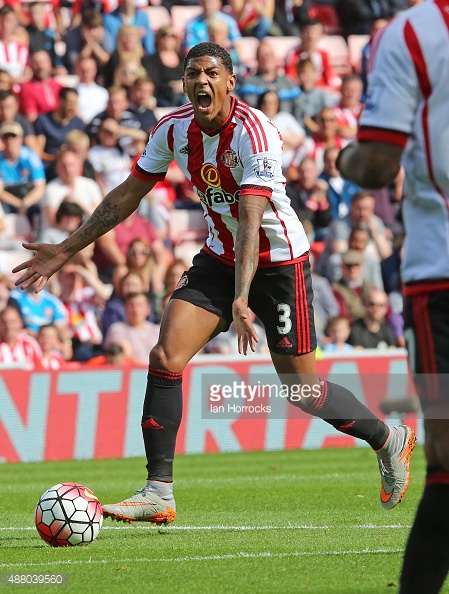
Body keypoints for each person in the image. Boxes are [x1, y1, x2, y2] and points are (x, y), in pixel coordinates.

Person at [13, 42, 415, 527]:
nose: (200, 80)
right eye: (191, 73)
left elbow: (251, 215)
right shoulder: (173, 128)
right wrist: (67, 248)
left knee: (302, 390)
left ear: (230, 81)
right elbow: (127, 195)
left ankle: (389, 439)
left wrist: (244, 296)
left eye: (210, 72)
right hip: (219, 257)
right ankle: (158, 491)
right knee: (165, 357)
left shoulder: (255, 130)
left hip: (280, 262)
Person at [336, 3, 449, 592]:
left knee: (448, 474)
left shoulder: (410, 32)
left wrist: (342, 157)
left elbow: (377, 164)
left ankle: (387, 437)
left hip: (440, 275)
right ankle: (386, 437)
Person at [0, 121, 46, 231]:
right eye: (6, 137)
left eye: (13, 136)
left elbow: (40, 187)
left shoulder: (31, 157)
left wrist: (25, 203)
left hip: (29, 198)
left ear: (21, 138)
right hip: (8, 201)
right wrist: (19, 204)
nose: (10, 141)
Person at [104, 291, 159, 365]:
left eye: (140, 305)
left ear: (148, 309)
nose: (136, 309)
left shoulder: (157, 330)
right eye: (131, 305)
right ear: (125, 309)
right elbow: (125, 357)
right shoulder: (117, 329)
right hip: (131, 374)